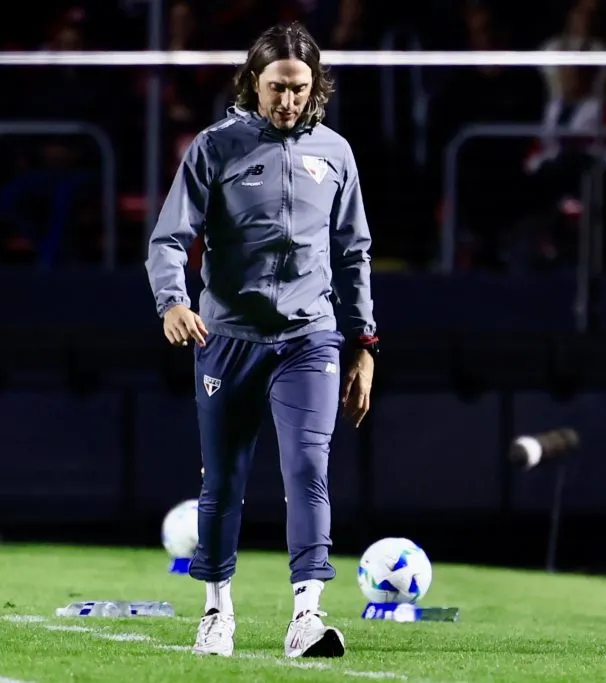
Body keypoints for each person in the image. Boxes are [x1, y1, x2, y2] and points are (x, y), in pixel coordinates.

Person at [144, 21, 377, 659]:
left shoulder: (336, 153)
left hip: (310, 339)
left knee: (307, 468)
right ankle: (217, 612)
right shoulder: (215, 147)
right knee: (223, 480)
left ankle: (307, 614)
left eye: (299, 88)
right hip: (227, 339)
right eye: (277, 87)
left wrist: (364, 345)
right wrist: (172, 302)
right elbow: (168, 239)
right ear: (253, 82)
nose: (288, 100)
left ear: (315, 86)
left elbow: (353, 254)